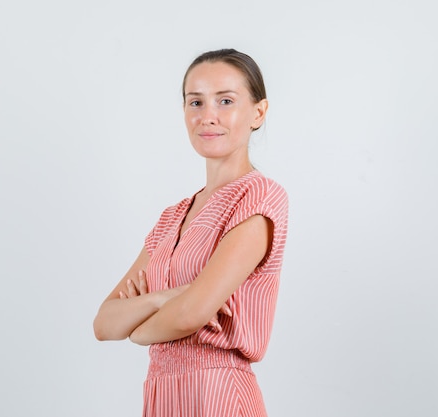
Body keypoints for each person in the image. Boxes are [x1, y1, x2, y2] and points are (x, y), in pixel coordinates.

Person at [93, 48, 288, 417]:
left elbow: (190, 315)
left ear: (258, 113)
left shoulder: (259, 196)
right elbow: (104, 323)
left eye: (225, 100)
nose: (207, 116)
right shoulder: (171, 218)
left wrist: (139, 327)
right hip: (161, 395)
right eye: (195, 102)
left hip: (218, 395)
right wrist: (160, 301)